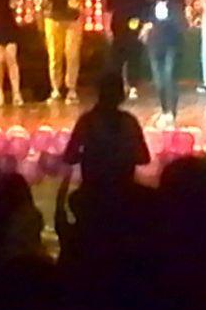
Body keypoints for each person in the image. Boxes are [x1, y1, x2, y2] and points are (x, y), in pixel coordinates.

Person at [59, 68, 149, 211]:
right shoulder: (129, 122)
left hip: (92, 195)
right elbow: (144, 158)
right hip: (124, 193)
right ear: (121, 95)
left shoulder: (86, 121)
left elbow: (69, 157)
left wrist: (89, 155)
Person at [38, 0, 86, 106]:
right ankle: (56, 89)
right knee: (54, 55)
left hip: (72, 17)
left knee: (72, 54)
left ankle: (71, 89)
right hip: (53, 16)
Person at [145, 0, 192, 125]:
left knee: (170, 74)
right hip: (156, 38)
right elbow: (149, 3)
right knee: (158, 78)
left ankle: (171, 111)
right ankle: (164, 109)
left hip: (174, 36)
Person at [104, 0, 148, 100]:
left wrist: (144, 26)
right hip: (118, 25)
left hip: (135, 23)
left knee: (134, 56)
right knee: (116, 58)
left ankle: (133, 85)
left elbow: (145, 7)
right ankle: (118, 86)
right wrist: (107, 28)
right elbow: (108, 9)